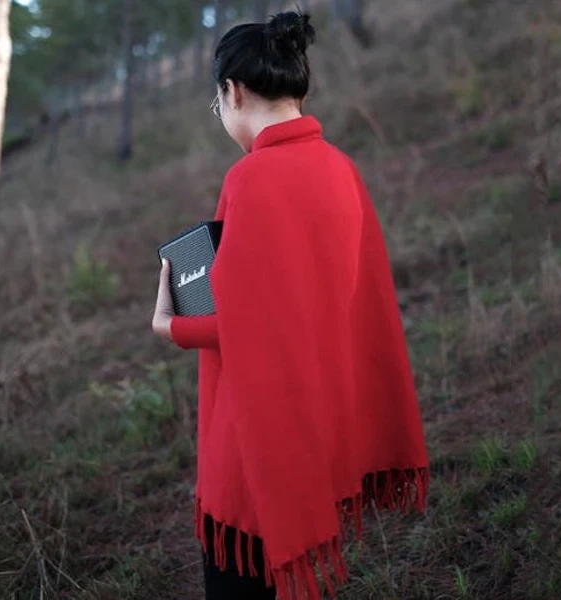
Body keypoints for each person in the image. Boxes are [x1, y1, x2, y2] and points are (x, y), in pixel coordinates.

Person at [151, 10, 429, 600]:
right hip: (320, 427)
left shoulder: (250, 180)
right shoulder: (341, 170)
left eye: (216, 103)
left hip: (259, 443)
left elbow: (245, 327)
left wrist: (172, 326)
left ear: (234, 91)